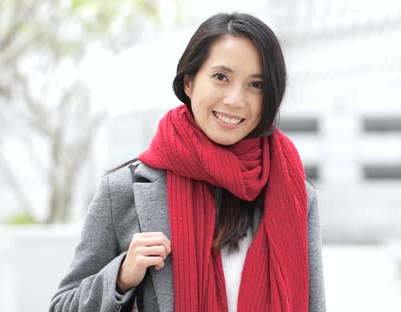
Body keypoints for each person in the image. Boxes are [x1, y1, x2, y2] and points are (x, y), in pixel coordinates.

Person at [50, 12, 326, 312]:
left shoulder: (294, 194)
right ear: (189, 82)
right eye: (221, 77)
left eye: (255, 85)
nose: (235, 100)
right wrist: (121, 277)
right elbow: (62, 306)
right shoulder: (124, 192)